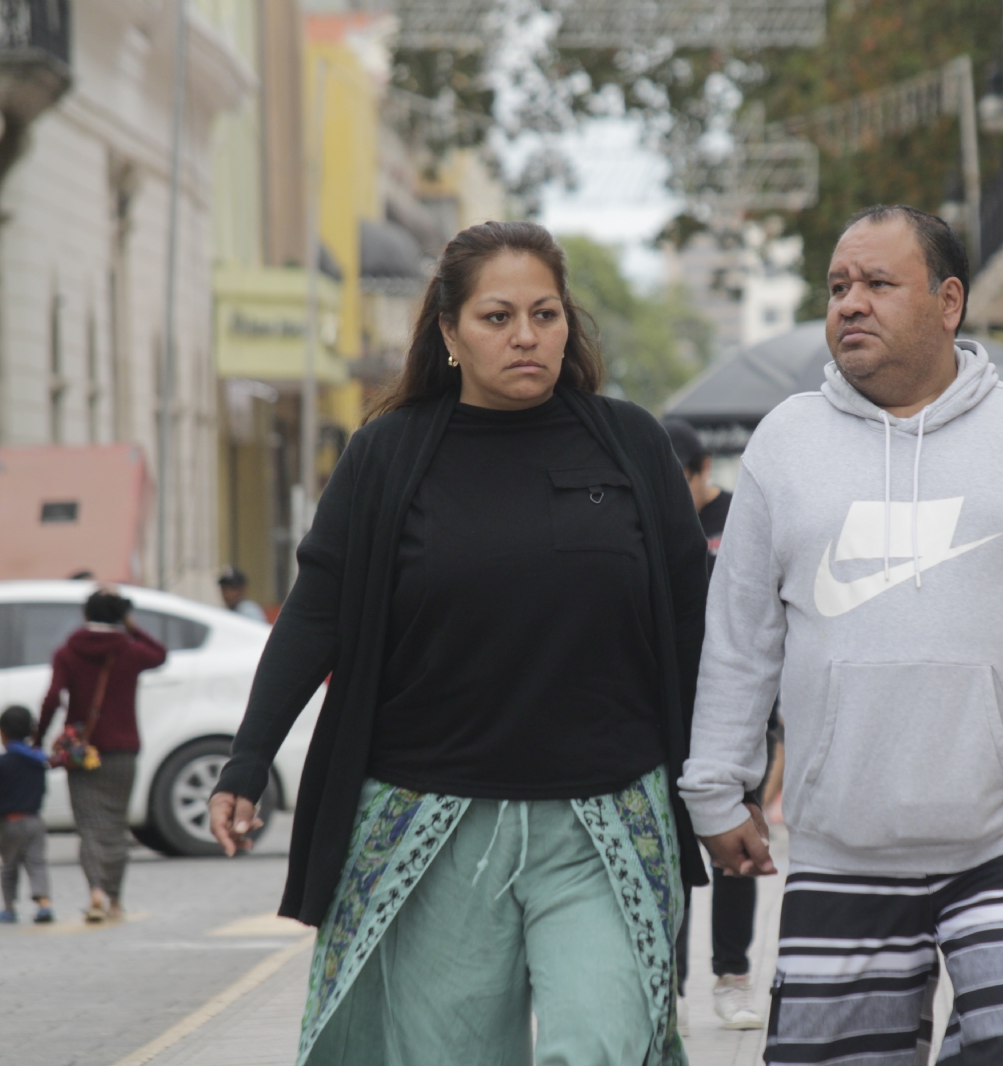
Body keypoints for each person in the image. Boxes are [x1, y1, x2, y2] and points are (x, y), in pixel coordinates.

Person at [682, 204, 1003, 1066]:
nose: (850, 304)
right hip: (842, 842)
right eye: (839, 286)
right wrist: (716, 784)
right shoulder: (785, 443)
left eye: (878, 283)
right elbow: (740, 637)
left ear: (949, 301)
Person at [207, 221, 710, 1066]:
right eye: (497, 317)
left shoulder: (628, 444)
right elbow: (316, 612)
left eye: (546, 315)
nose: (526, 336)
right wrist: (247, 760)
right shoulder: (386, 455)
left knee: (603, 1045)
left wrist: (731, 772)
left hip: (608, 820)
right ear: (447, 333)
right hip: (432, 823)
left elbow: (697, 622)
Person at [663, 417, 764, 1030]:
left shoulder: (739, 519)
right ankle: (667, 987)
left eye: (681, 481)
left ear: (704, 474)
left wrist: (771, 729)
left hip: (733, 707)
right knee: (671, 847)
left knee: (736, 844)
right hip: (671, 709)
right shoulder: (647, 521)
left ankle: (733, 976)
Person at [37, 588, 166, 923]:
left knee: (90, 826)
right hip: (123, 749)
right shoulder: (131, 650)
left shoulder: (68, 651)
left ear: (86, 615)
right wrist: (131, 626)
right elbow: (160, 653)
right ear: (120, 616)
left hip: (83, 753)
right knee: (114, 825)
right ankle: (115, 900)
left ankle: (95, 891)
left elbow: (52, 699)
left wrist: (38, 739)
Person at [0, 706, 53, 924]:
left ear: (2, 733)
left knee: (9, 867)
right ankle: (44, 905)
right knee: (37, 863)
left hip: (9, 823)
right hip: (35, 820)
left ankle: (9, 908)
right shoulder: (38, 762)